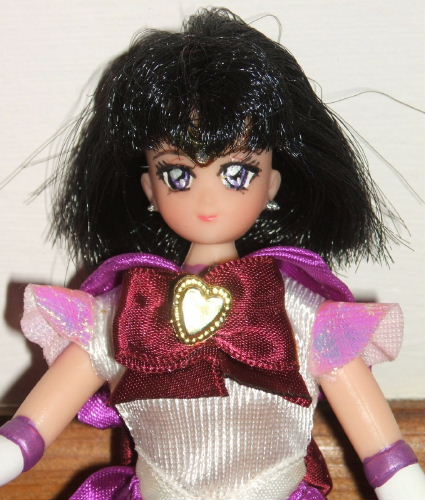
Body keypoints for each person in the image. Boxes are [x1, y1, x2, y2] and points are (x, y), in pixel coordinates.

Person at [0, 8, 424, 500]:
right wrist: (14, 448)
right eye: (178, 174)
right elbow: (36, 423)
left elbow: (375, 436)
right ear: (149, 189)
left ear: (272, 185)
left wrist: (398, 476)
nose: (207, 200)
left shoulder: (301, 314)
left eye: (236, 173)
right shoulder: (123, 313)